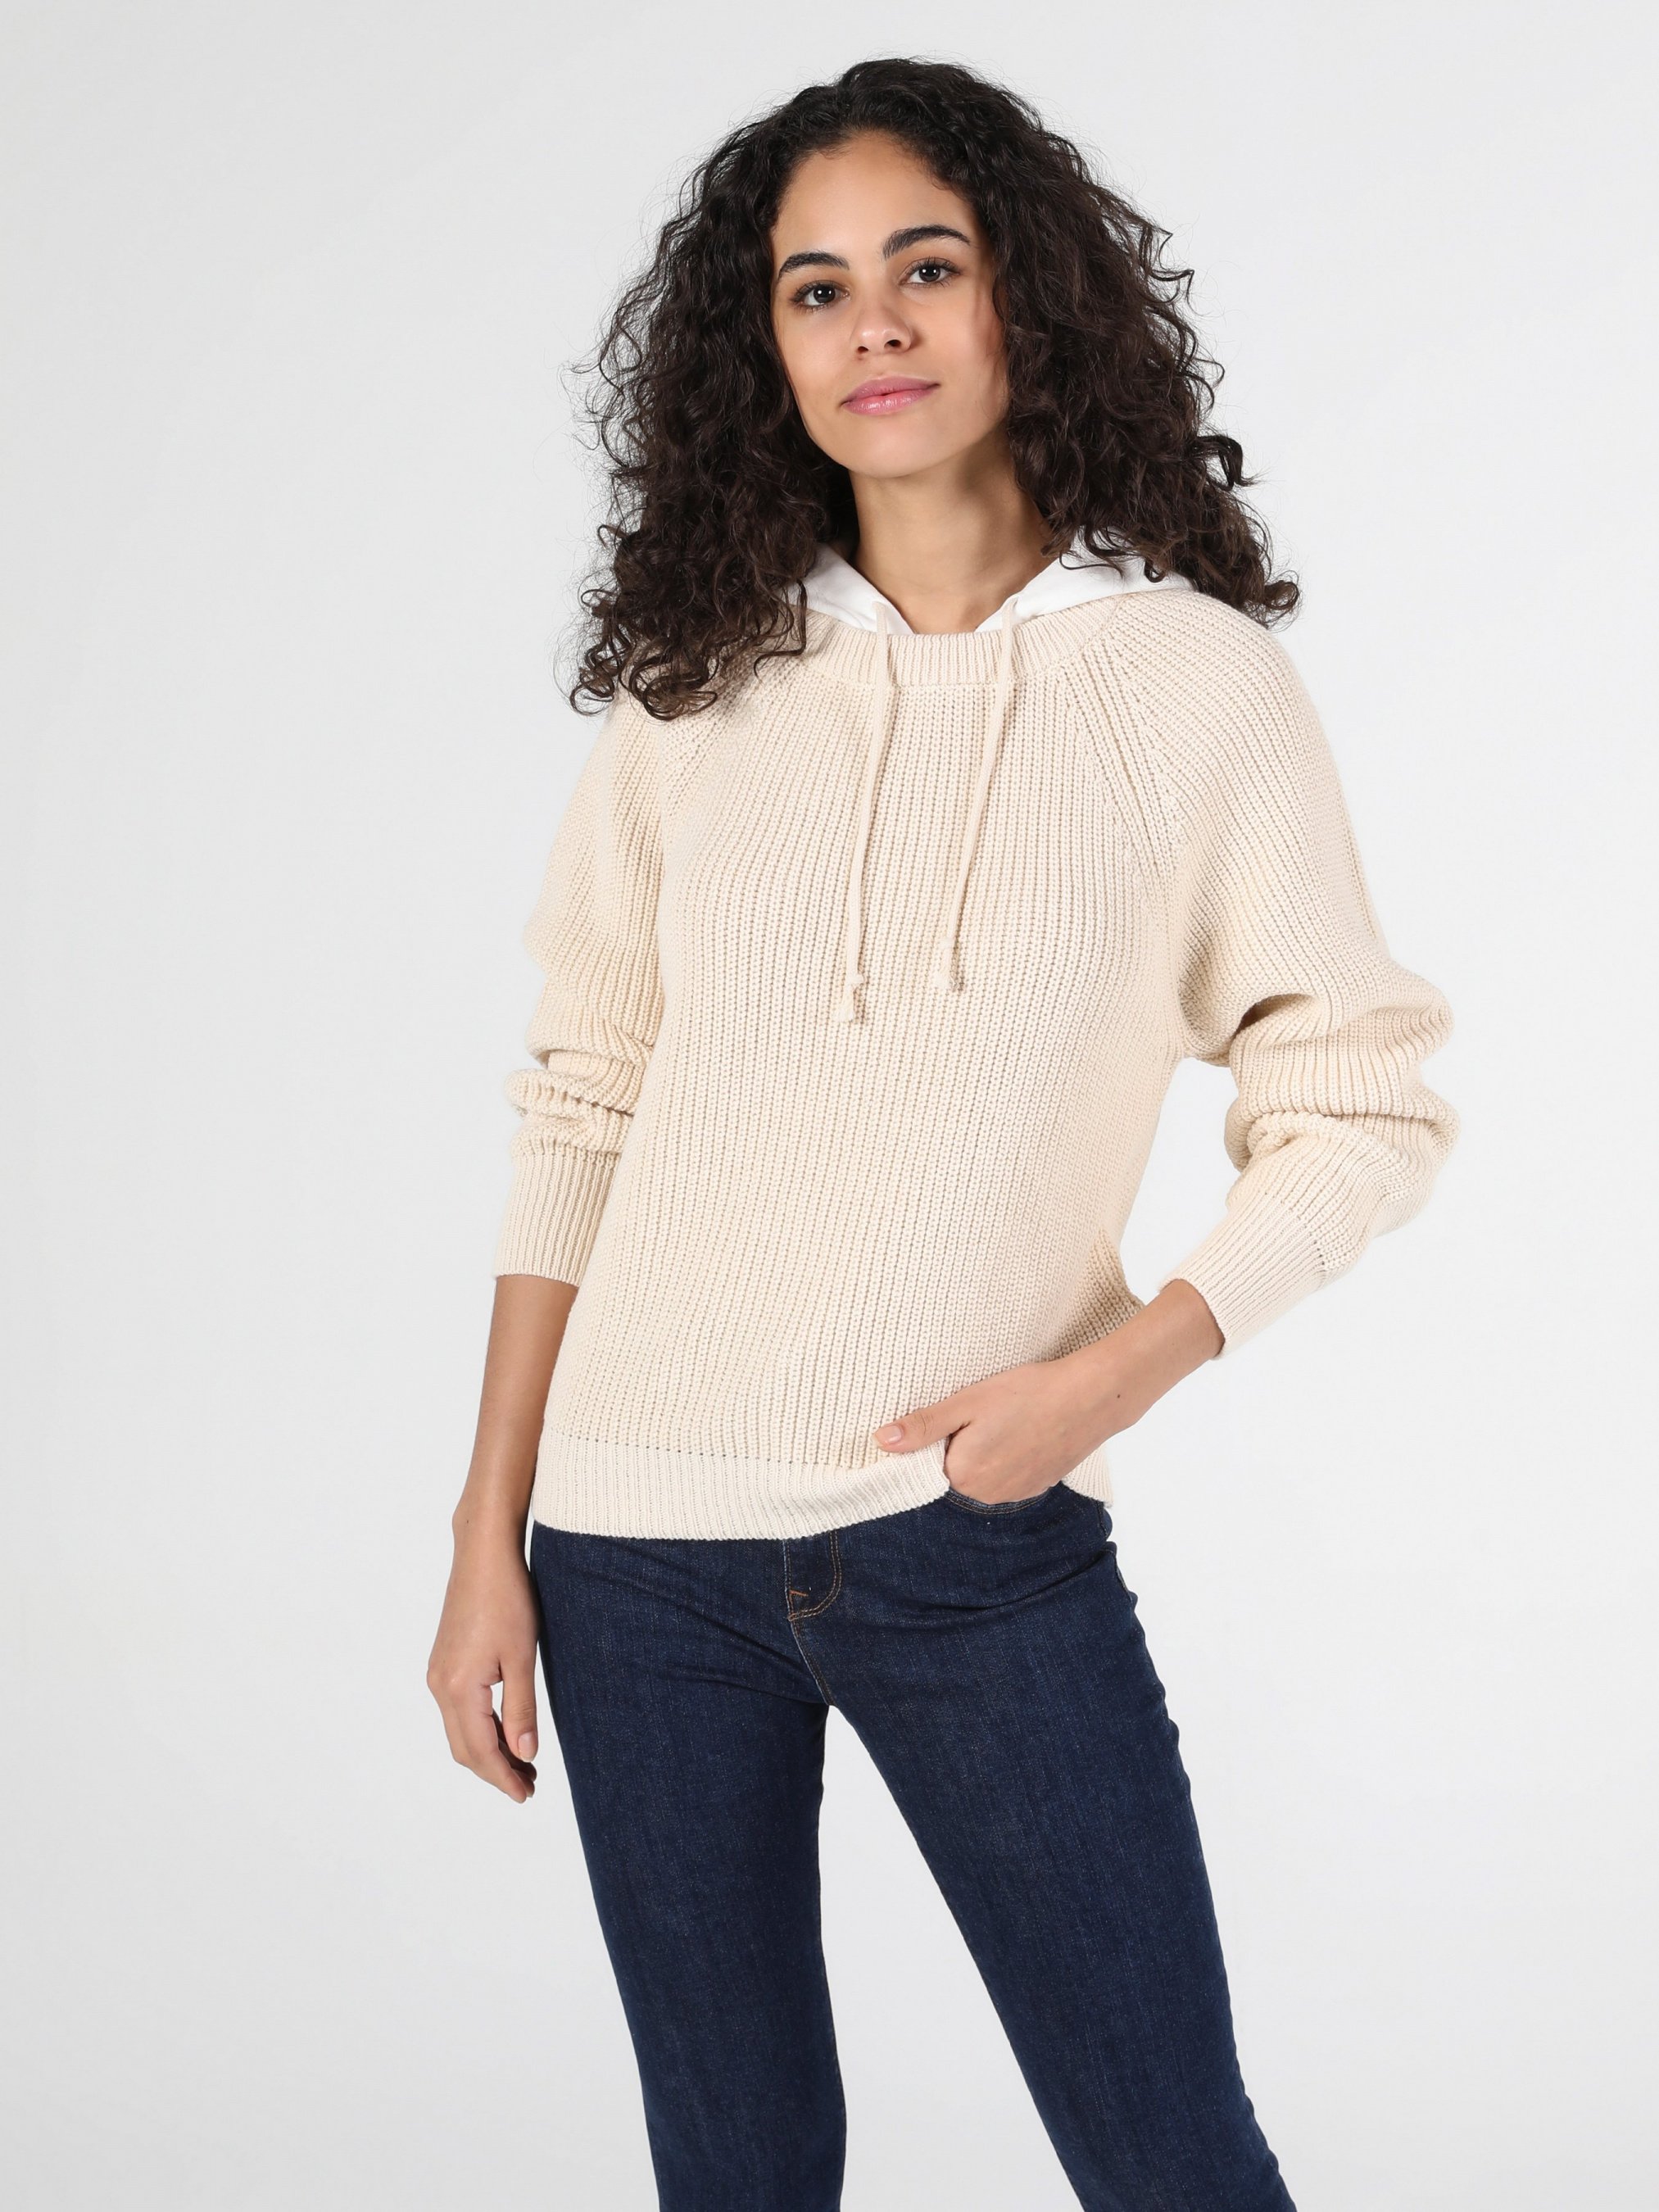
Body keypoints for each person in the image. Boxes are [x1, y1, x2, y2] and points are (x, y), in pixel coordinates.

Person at [428, 55, 1459, 2212]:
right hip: (630, 1553)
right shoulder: (696, 691)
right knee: (736, 2172)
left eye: (926, 267)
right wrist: (485, 1535)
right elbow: (582, 1094)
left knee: (1170, 2154)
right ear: (766, 348)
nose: (871, 326)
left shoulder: (1193, 687)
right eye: (814, 289)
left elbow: (1355, 1097)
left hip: (969, 1536)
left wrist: (1113, 1374)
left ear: (1025, 301)